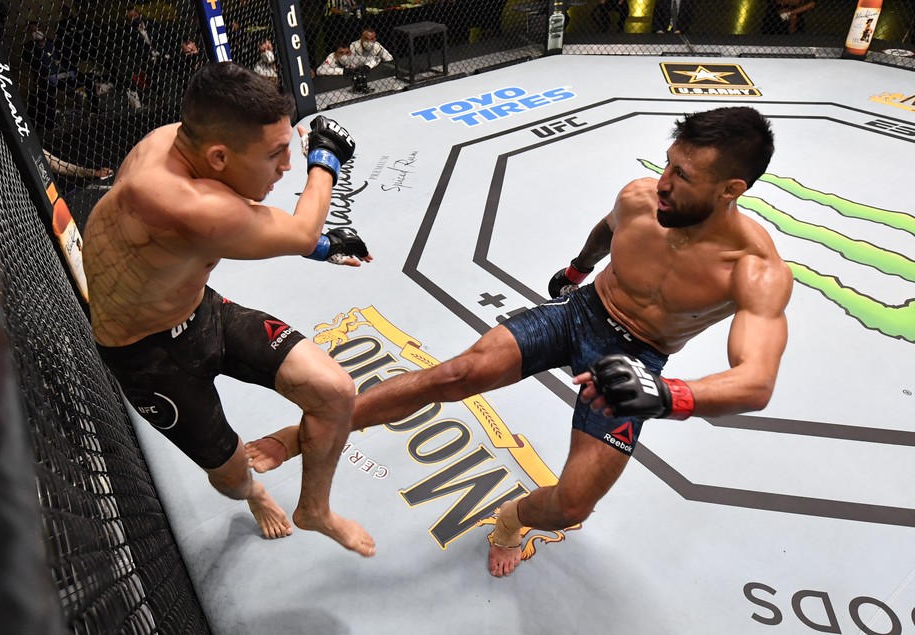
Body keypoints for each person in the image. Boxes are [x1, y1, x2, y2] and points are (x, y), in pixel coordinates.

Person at [248, 106, 792, 577]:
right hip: (581, 312)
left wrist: (666, 393)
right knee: (452, 375)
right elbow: (608, 229)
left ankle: (510, 521)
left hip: (636, 360)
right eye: (669, 162)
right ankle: (301, 437)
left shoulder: (753, 269)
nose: (664, 182)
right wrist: (580, 266)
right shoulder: (640, 199)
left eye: (684, 174)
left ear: (730, 191)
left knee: (573, 504)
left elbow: (756, 382)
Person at [82, 62, 376, 556]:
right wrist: (325, 159)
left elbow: (257, 233)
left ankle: (315, 510)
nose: (286, 166)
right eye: (276, 154)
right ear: (218, 157)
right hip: (148, 358)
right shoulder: (184, 201)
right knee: (234, 474)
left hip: (201, 311)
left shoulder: (180, 140)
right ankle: (255, 494)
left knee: (335, 391)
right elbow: (300, 231)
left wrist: (325, 248)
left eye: (292, 150)